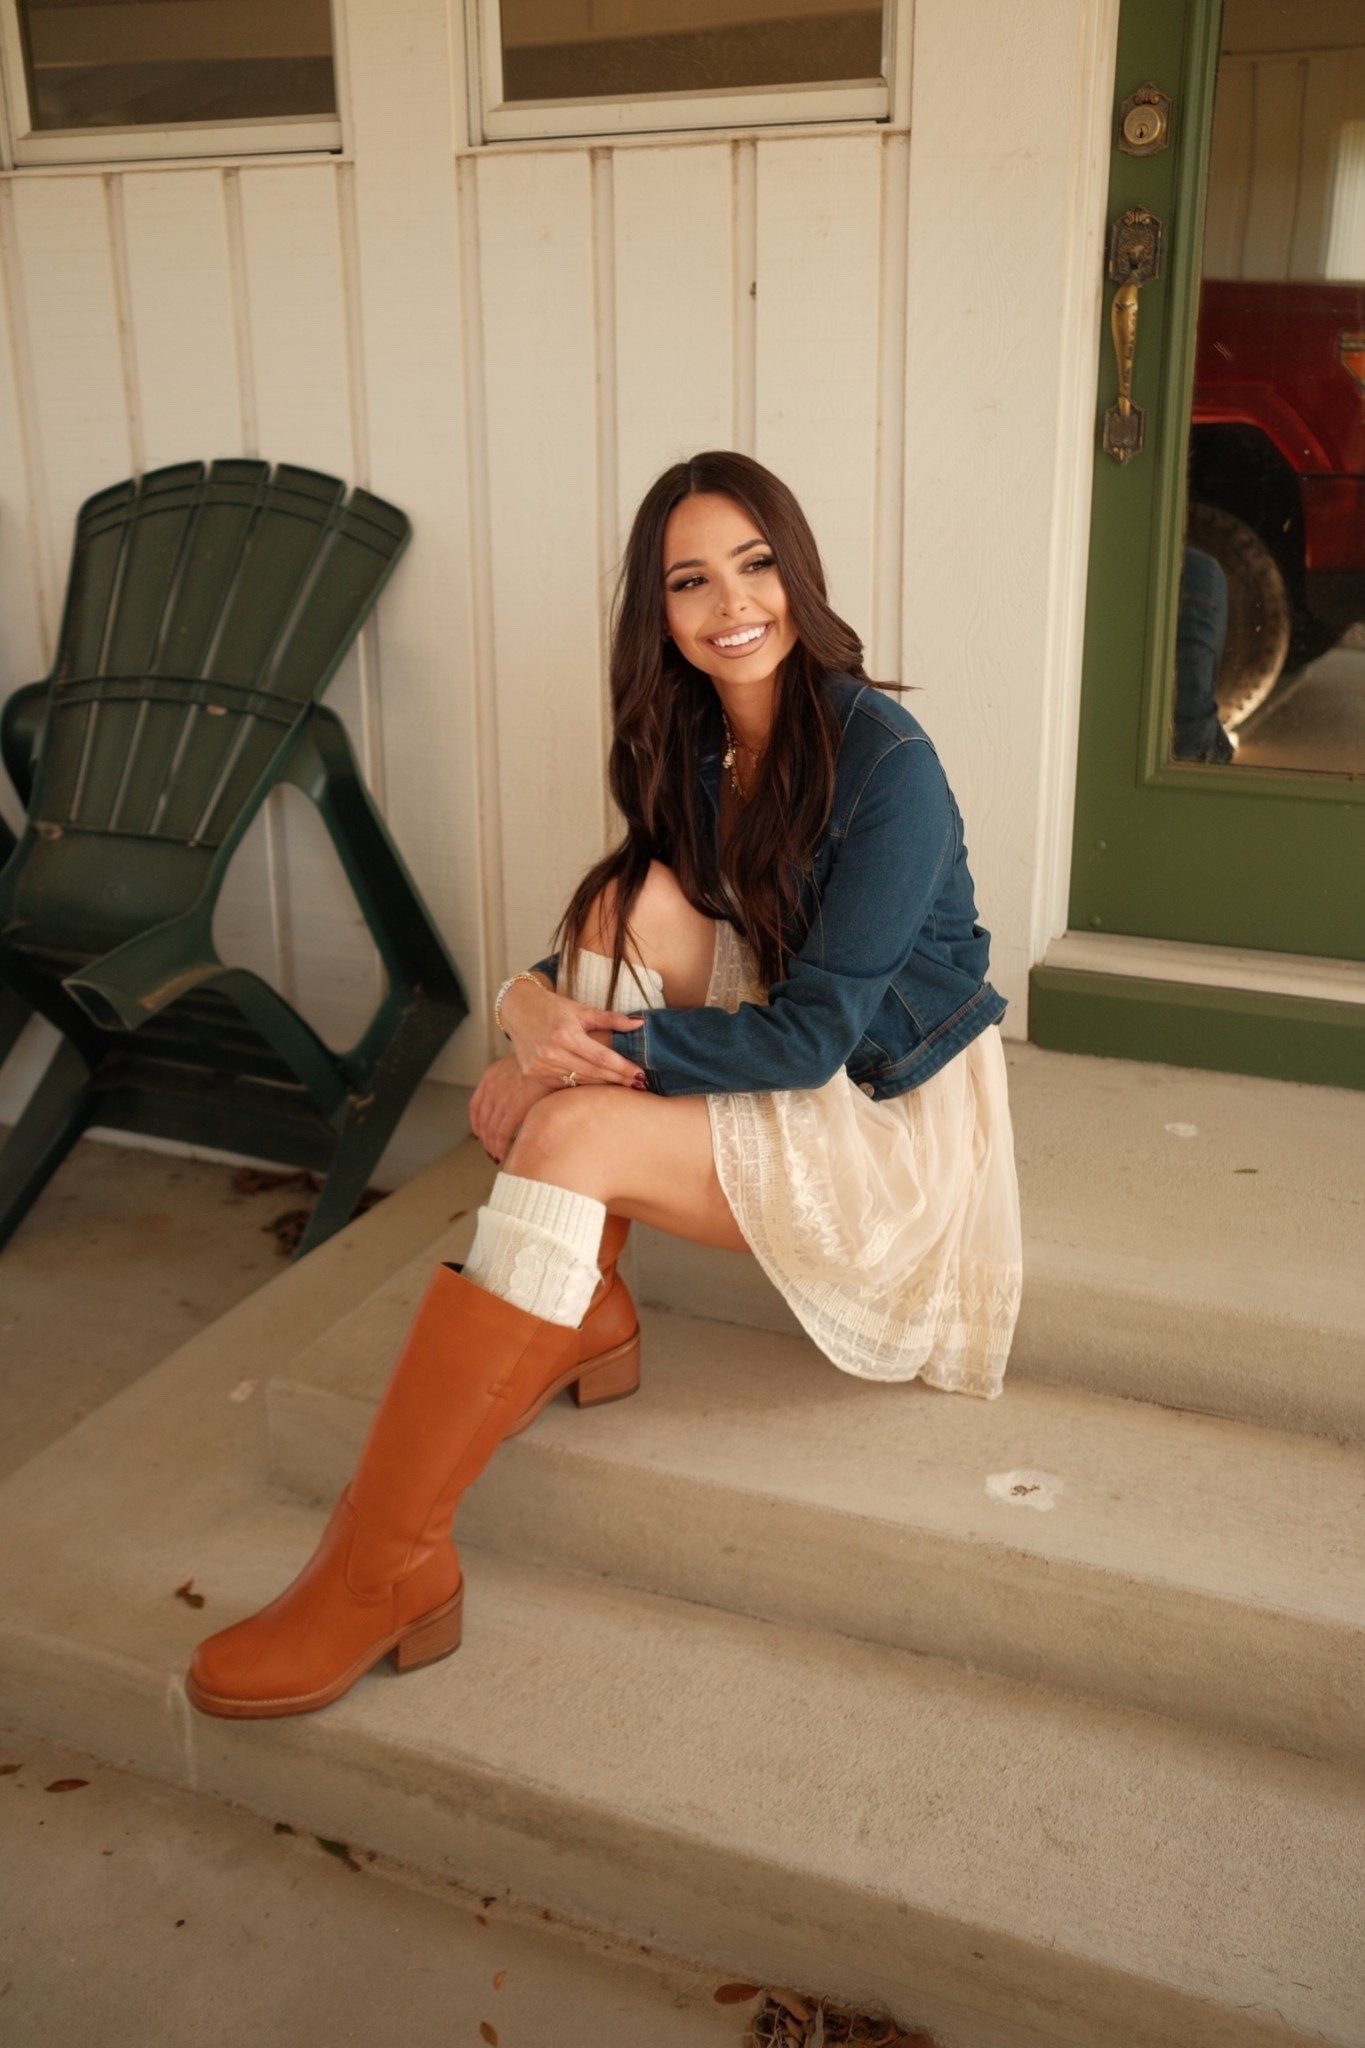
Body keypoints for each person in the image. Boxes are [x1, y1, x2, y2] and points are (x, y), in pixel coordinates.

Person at [186, 451, 1022, 1721]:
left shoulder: (886, 761)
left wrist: (575, 1067)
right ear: (660, 611)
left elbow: (807, 1041)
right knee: (622, 894)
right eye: (692, 579)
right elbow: (633, 932)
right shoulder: (694, 739)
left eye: (755, 565)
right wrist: (527, 1010)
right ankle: (580, 1299)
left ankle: (387, 1561)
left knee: (572, 1133)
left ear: (796, 571)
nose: (731, 603)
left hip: (883, 1118)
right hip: (799, 1044)